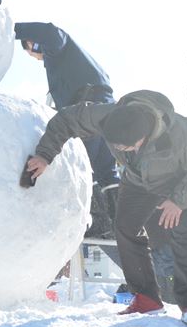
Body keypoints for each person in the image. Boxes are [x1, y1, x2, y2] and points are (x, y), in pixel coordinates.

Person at [26, 90, 187, 326]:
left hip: (179, 182)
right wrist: (45, 155)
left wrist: (178, 201)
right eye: (117, 146)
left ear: (144, 137)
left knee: (182, 230)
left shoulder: (184, 134)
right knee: (125, 227)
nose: (122, 150)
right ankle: (147, 298)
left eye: (127, 147)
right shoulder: (108, 116)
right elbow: (67, 119)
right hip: (138, 179)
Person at [13, 22, 120, 238]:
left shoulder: (58, 48)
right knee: (105, 170)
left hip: (87, 109)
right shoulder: (71, 64)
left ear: (34, 45)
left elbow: (52, 33)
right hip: (106, 112)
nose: (35, 59)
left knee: (77, 164)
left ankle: (85, 217)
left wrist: (12, 29)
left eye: (32, 53)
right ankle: (114, 220)